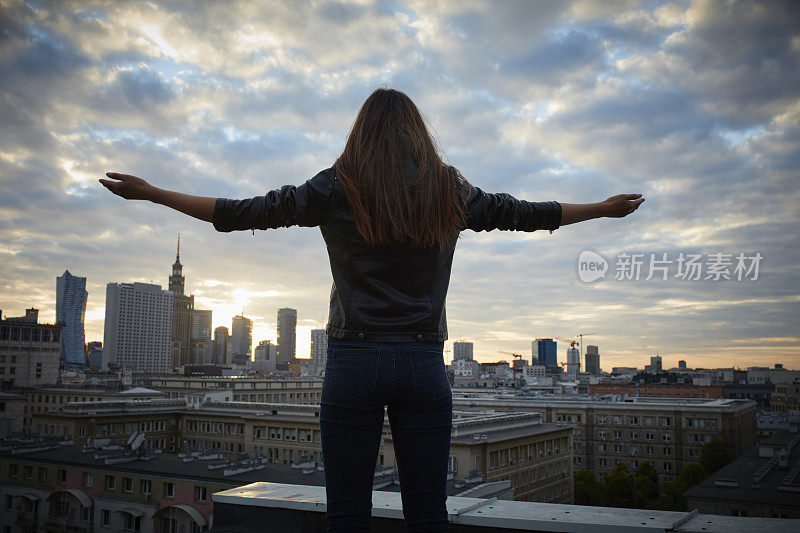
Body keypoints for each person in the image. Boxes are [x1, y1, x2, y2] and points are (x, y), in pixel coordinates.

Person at [100, 88, 644, 532]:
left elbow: (241, 212)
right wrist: (600, 209)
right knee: (429, 513)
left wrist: (154, 193)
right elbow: (525, 213)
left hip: (353, 363)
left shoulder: (337, 187)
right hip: (424, 366)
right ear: (418, 135)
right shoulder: (446, 189)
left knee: (347, 515)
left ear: (360, 133)